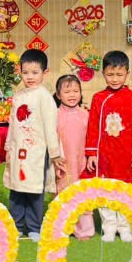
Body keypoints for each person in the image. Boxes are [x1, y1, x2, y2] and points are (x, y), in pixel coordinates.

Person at [84, 50, 132, 242]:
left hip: (127, 154)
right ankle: (109, 226)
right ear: (103, 73)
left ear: (128, 74)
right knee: (106, 190)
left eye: (119, 74)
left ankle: (125, 226)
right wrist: (92, 153)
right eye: (110, 74)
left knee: (127, 190)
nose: (115, 79)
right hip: (105, 154)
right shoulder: (98, 98)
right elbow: (93, 127)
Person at [5, 49, 65, 240]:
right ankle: (16, 225)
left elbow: (50, 127)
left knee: (34, 189)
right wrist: (8, 146)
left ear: (45, 73)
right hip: (18, 151)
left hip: (37, 153)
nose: (30, 77)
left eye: (35, 72)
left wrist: (54, 153)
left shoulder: (45, 97)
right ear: (20, 72)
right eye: (25, 72)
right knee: (16, 189)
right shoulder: (18, 95)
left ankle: (34, 227)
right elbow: (12, 123)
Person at [54, 74, 93, 239]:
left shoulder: (85, 114)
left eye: (76, 91)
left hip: (81, 161)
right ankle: (63, 228)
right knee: (62, 193)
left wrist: (90, 156)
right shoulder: (55, 115)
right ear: (58, 95)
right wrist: (55, 159)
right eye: (67, 91)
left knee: (83, 193)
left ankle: (84, 229)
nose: (72, 95)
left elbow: (91, 138)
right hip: (62, 163)